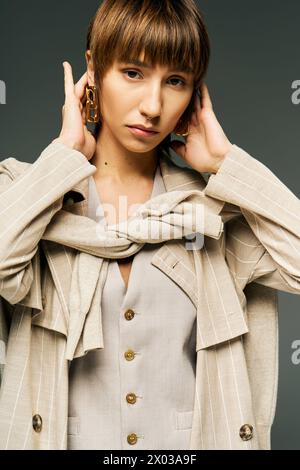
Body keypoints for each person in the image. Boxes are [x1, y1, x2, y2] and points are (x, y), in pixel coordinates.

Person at [0, 0, 300, 450]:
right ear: (94, 70)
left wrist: (225, 163)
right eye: (133, 73)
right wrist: (61, 158)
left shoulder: (211, 211)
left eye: (175, 81)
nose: (154, 105)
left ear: (195, 94)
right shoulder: (33, 195)